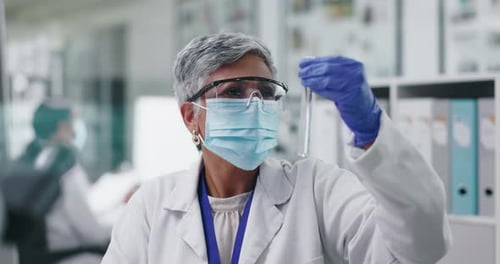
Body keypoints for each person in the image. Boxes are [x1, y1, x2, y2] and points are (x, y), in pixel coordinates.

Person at [102, 32, 451, 263]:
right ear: (191, 115)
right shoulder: (152, 205)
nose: (254, 103)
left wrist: (370, 127)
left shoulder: (317, 187)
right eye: (234, 92)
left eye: (265, 92)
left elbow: (420, 247)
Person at [16, 98, 111, 264]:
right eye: (74, 120)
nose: (76, 128)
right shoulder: (65, 167)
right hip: (69, 256)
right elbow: (92, 232)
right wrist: (125, 221)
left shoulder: (27, 160)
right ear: (62, 126)